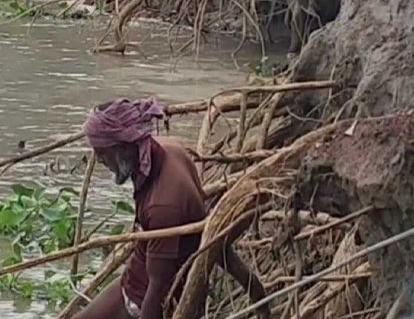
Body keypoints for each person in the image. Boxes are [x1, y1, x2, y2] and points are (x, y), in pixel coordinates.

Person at [73, 99, 270, 319]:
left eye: (102, 152)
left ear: (123, 146)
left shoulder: (163, 205)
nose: (99, 160)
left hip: (142, 304)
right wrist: (258, 295)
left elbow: (157, 292)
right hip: (132, 281)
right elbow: (212, 239)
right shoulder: (169, 148)